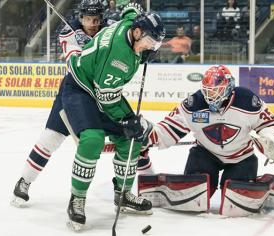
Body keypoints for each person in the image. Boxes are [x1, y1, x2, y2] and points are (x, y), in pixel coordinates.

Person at [61, 3, 165, 230]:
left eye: (155, 44)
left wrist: (130, 7)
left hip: (101, 87)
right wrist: (128, 119)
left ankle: (123, 194)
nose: (152, 48)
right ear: (137, 33)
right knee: (92, 139)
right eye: (150, 42)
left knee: (131, 138)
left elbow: (130, 13)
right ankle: (77, 198)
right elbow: (106, 98)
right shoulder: (118, 56)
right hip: (80, 89)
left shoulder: (132, 25)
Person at [136, 65, 274, 217]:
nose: (211, 96)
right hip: (205, 154)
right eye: (208, 91)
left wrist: (271, 136)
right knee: (192, 194)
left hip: (241, 157)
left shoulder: (247, 101)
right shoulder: (194, 104)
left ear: (228, 87)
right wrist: (148, 137)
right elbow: (169, 128)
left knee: (238, 201)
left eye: (216, 91)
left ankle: (262, 184)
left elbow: (270, 123)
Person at [10, 0, 106, 207]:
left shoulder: (107, 33)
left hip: (100, 94)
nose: (92, 23)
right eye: (88, 18)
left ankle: (122, 190)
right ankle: (24, 181)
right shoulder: (68, 32)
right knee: (50, 138)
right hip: (73, 91)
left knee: (112, 139)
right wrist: (89, 47)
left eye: (96, 19)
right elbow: (75, 64)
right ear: (81, 17)